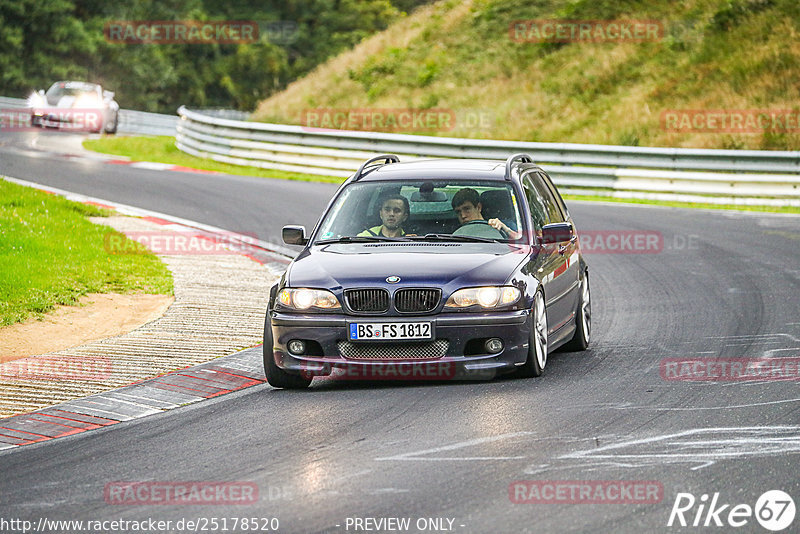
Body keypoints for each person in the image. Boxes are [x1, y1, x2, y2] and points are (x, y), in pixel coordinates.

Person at [451, 188, 520, 239]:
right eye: (458, 211)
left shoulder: (501, 225)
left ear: (478, 207)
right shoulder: (453, 232)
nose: (463, 216)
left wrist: (506, 229)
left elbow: (522, 242)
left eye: (467, 209)